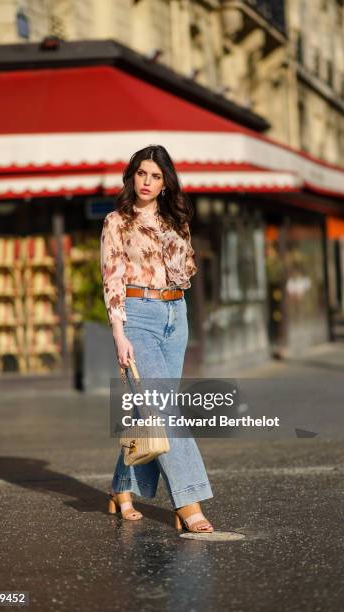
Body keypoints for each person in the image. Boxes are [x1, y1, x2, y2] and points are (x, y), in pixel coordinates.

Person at [100, 144, 214, 533]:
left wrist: (177, 241)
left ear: (166, 183)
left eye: (156, 176)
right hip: (138, 317)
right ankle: (189, 502)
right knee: (165, 411)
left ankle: (121, 488)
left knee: (149, 411)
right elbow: (111, 278)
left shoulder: (175, 221)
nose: (147, 182)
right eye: (141, 173)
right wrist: (118, 332)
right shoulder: (117, 221)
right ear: (132, 176)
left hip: (175, 315)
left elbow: (186, 271)